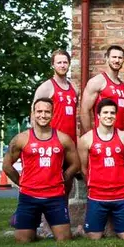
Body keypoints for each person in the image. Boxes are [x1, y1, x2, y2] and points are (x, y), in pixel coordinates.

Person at [2, 98, 81, 243]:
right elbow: (7, 166)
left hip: (55, 197)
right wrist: (22, 182)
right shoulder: (21, 139)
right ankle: (23, 222)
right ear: (33, 113)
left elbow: (76, 164)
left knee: (64, 240)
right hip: (29, 197)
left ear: (52, 114)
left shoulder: (63, 139)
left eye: (47, 112)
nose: (43, 115)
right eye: (39, 111)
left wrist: (63, 178)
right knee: (23, 241)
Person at [78, 98, 124, 240]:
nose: (109, 116)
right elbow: (84, 168)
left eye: (112, 113)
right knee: (94, 237)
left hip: (121, 195)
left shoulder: (123, 136)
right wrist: (94, 184)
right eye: (105, 113)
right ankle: (81, 229)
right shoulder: (86, 139)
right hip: (97, 195)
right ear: (98, 116)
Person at [33, 49, 79, 202]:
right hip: (52, 142)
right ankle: (45, 223)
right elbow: (34, 113)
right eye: (59, 62)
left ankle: (61, 217)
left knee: (67, 181)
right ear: (53, 64)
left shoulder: (74, 89)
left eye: (65, 62)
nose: (62, 65)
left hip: (70, 143)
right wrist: (38, 139)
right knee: (50, 183)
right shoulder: (46, 87)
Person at [80, 45, 124, 132]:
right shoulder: (97, 81)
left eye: (120, 58)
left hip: (120, 137)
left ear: (123, 60)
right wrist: (90, 136)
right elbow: (84, 110)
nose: (117, 60)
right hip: (102, 137)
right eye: (114, 57)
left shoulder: (123, 86)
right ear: (107, 58)